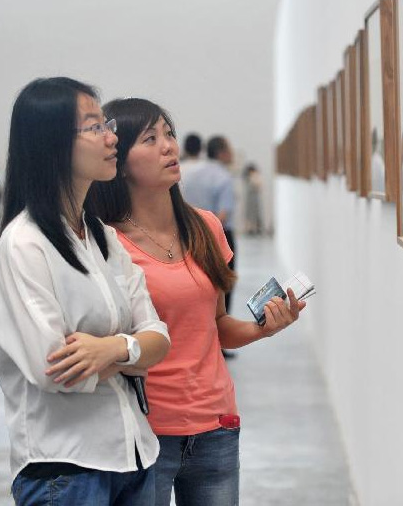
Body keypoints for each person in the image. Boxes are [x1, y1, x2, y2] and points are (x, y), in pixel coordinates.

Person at [88, 98, 305, 506]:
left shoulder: (205, 226)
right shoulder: (105, 243)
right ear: (119, 161)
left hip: (215, 425)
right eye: (150, 139)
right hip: (144, 432)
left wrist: (265, 327)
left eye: (168, 134)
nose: (168, 146)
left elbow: (217, 326)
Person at [0, 78, 171, 505]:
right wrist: (132, 351)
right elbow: (56, 371)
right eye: (93, 126)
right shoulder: (24, 244)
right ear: (51, 143)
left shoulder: (101, 236)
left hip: (133, 457)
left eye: (107, 123)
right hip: (65, 472)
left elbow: (159, 335)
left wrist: (110, 350)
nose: (111, 136)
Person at [180, 135, 237, 319]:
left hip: (186, 233)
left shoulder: (186, 171)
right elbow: (222, 215)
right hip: (216, 235)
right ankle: (222, 339)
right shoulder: (223, 176)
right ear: (222, 153)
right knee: (223, 285)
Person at [242, 163, 263, 235]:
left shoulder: (256, 175)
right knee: (249, 214)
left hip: (255, 197)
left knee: (256, 213)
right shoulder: (247, 176)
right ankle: (249, 228)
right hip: (249, 197)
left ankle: (257, 228)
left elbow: (258, 185)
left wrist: (253, 177)